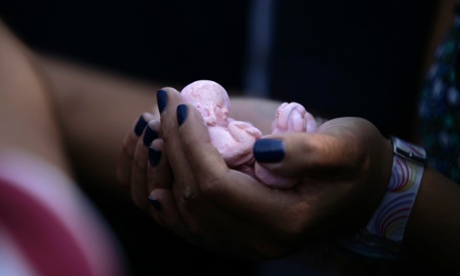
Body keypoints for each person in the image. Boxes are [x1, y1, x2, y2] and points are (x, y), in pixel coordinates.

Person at [117, 1, 460, 275]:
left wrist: (384, 189)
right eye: (214, 112)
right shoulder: (229, 128)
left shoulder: (237, 131)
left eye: (218, 111)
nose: (218, 115)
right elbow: (425, 126)